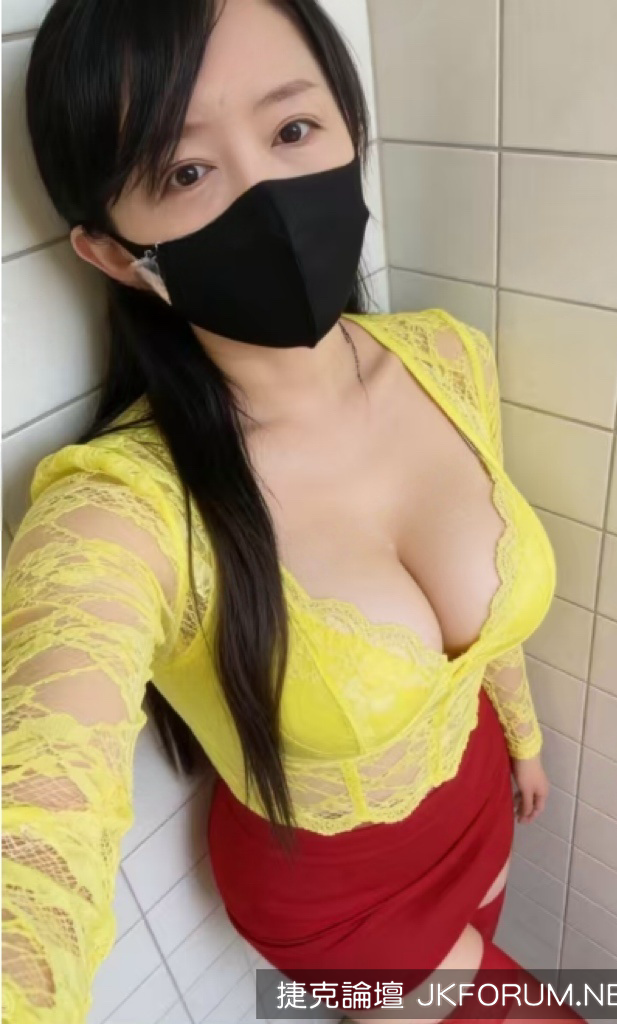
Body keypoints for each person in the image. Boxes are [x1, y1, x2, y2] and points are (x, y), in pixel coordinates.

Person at [2, 1, 587, 1023]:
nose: (267, 194)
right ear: (113, 254)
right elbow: (40, 818)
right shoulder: (119, 510)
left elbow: (489, 631)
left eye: (292, 128)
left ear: (349, 127)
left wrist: (523, 740)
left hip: (480, 802)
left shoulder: (445, 358)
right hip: (335, 903)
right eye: (187, 171)